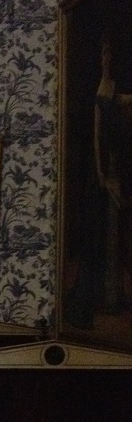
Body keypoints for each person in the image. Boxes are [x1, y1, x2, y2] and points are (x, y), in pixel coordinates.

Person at [65, 35, 132, 327]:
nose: (107, 58)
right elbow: (95, 136)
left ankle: (111, 294)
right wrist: (102, 176)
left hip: (115, 166)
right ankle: (103, 295)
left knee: (115, 233)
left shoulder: (112, 87)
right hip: (103, 171)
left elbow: (123, 103)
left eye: (110, 53)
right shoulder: (102, 87)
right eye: (103, 53)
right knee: (103, 233)